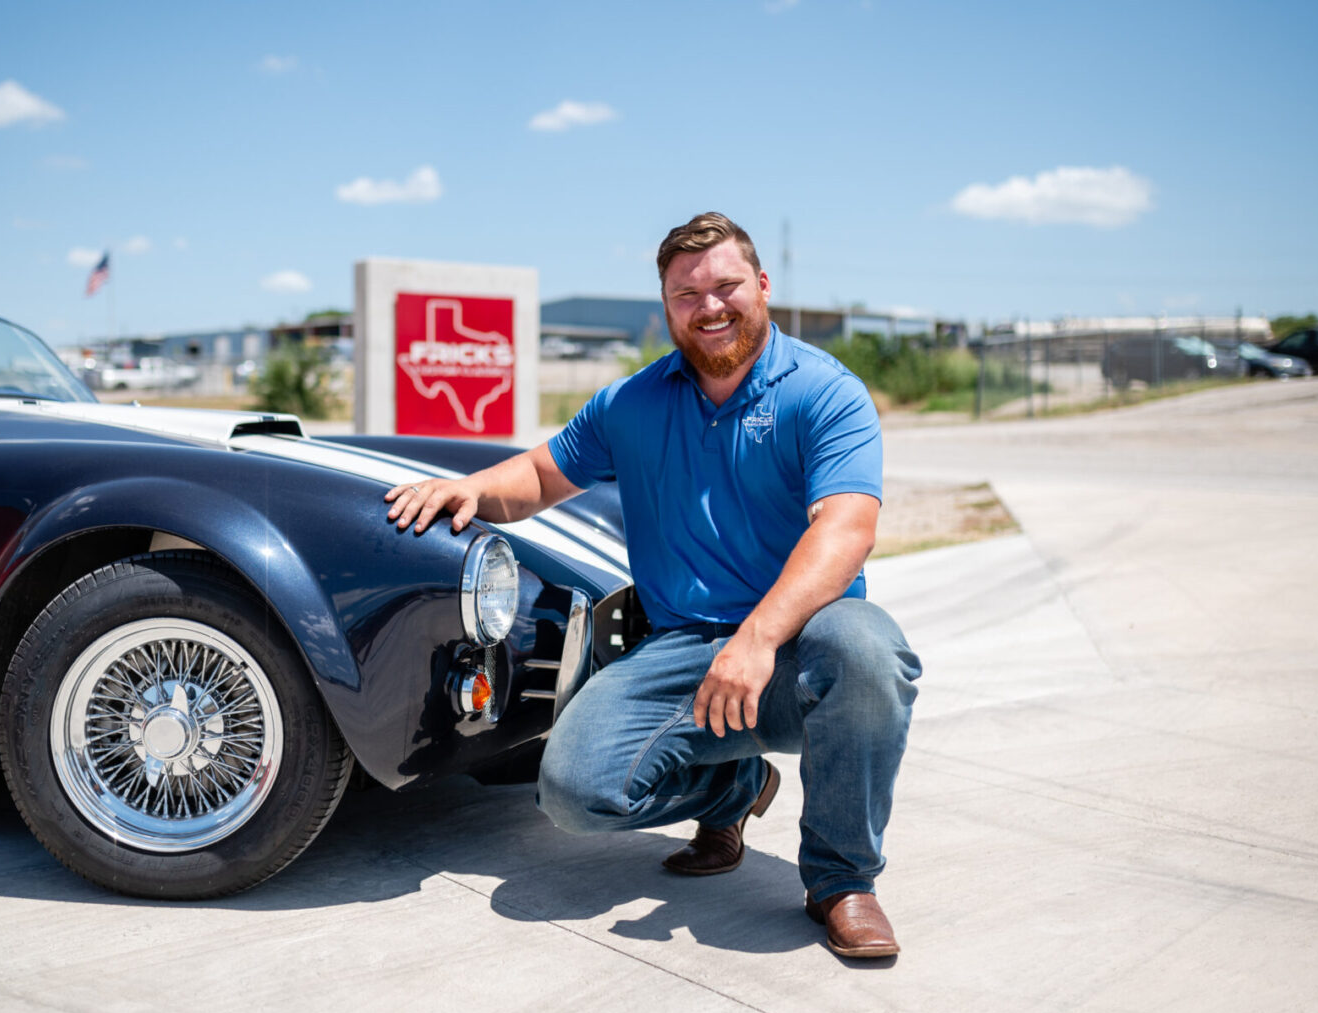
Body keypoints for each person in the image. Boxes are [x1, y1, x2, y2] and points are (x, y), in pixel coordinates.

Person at [383, 212, 920, 959]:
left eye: (726, 286)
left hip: (801, 650)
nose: (709, 307)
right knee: (573, 793)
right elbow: (540, 474)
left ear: (762, 286)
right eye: (685, 294)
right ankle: (734, 792)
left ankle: (842, 882)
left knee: (866, 650)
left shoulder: (824, 392)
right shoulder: (632, 403)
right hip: (682, 651)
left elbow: (847, 529)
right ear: (665, 306)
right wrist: (466, 489)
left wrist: (759, 639)